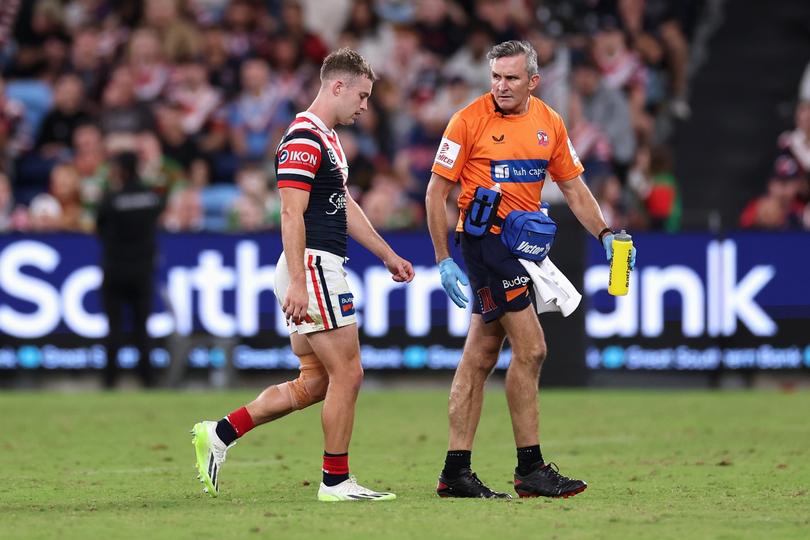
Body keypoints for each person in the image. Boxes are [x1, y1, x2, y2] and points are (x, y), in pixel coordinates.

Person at [191, 48, 415, 502]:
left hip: (315, 265)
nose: (365, 106)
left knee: (316, 382)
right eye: (363, 95)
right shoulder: (303, 138)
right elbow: (290, 214)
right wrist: (299, 280)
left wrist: (387, 253)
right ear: (337, 86)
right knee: (349, 373)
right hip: (312, 265)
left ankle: (219, 432)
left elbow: (343, 206)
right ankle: (336, 481)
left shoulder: (326, 138)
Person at [424, 40, 637, 499]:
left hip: (521, 249)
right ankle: (530, 469)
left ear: (533, 81)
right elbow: (435, 192)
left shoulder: (548, 122)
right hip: (484, 245)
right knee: (533, 347)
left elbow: (575, 189)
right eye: (496, 77)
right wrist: (444, 259)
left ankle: (455, 472)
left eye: (511, 78)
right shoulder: (467, 120)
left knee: (480, 354)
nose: (501, 86)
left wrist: (605, 234)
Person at [96, 152, 163, 388]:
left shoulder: (111, 198)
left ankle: (109, 380)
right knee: (141, 328)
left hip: (115, 268)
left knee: (114, 327)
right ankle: (147, 379)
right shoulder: (150, 198)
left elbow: (99, 226)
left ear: (121, 170)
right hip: (142, 270)